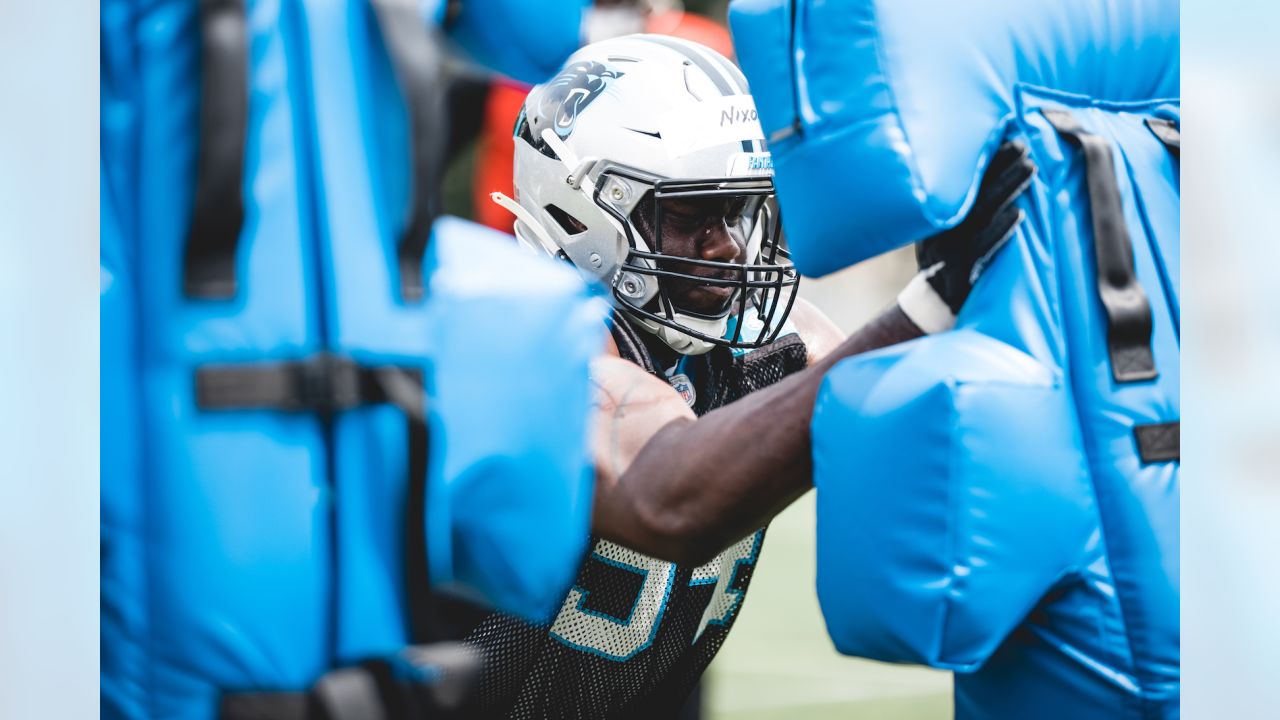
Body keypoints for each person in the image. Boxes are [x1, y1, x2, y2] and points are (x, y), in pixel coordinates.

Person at [467, 35, 1035, 718]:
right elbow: (666, 490)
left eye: (737, 210)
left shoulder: (765, 347)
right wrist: (929, 304)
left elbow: (899, 405)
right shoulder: (539, 356)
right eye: (689, 215)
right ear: (582, 206)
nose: (728, 246)